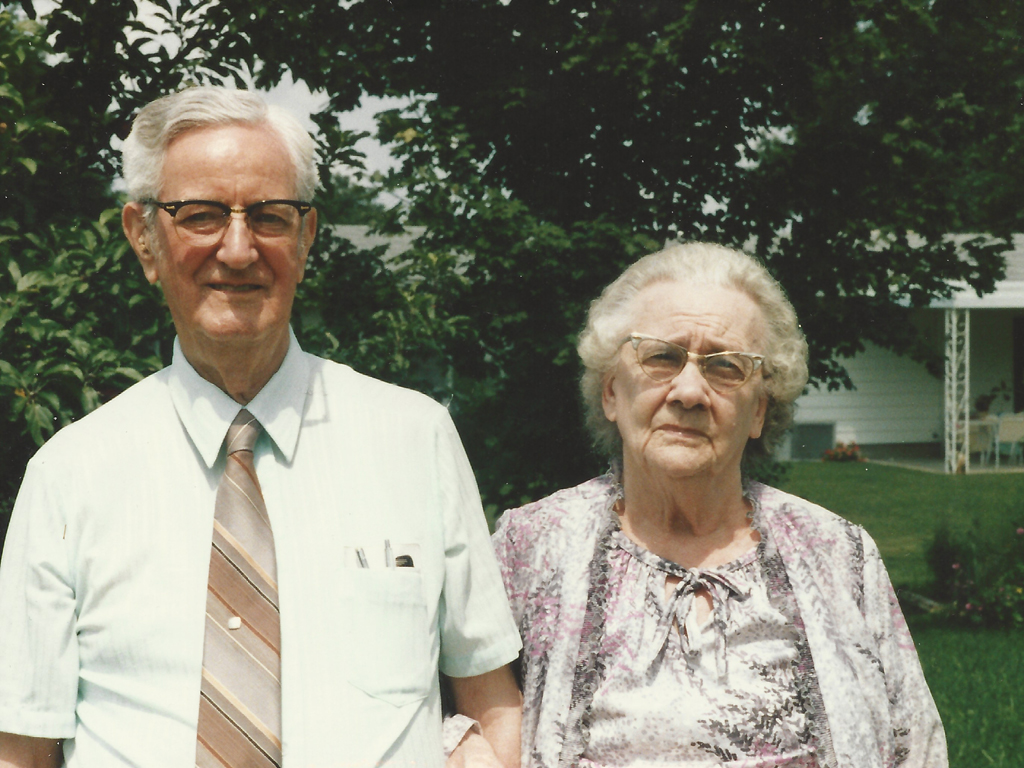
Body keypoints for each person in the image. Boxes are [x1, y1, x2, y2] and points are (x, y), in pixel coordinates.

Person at [0, 86, 522, 768]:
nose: (239, 249)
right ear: (144, 237)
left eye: (270, 217)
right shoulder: (69, 476)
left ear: (306, 236)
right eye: (202, 216)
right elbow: (23, 750)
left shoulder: (415, 440)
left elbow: (492, 707)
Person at [492, 242, 947, 767]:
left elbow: (915, 746)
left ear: (759, 412)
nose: (689, 391)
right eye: (661, 356)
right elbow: (450, 714)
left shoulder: (840, 552)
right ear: (611, 392)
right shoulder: (529, 547)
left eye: (725, 367)